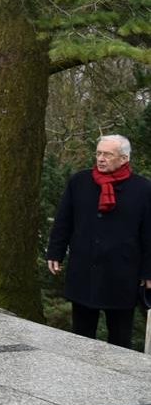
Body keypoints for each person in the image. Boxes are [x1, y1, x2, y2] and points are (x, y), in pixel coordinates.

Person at [47, 135, 151, 348]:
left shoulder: (143, 189)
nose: (101, 158)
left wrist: (148, 272)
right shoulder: (79, 182)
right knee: (81, 336)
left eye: (107, 154)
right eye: (98, 153)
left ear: (124, 158)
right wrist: (55, 252)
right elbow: (64, 220)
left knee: (120, 339)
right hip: (84, 269)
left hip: (122, 274)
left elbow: (149, 234)